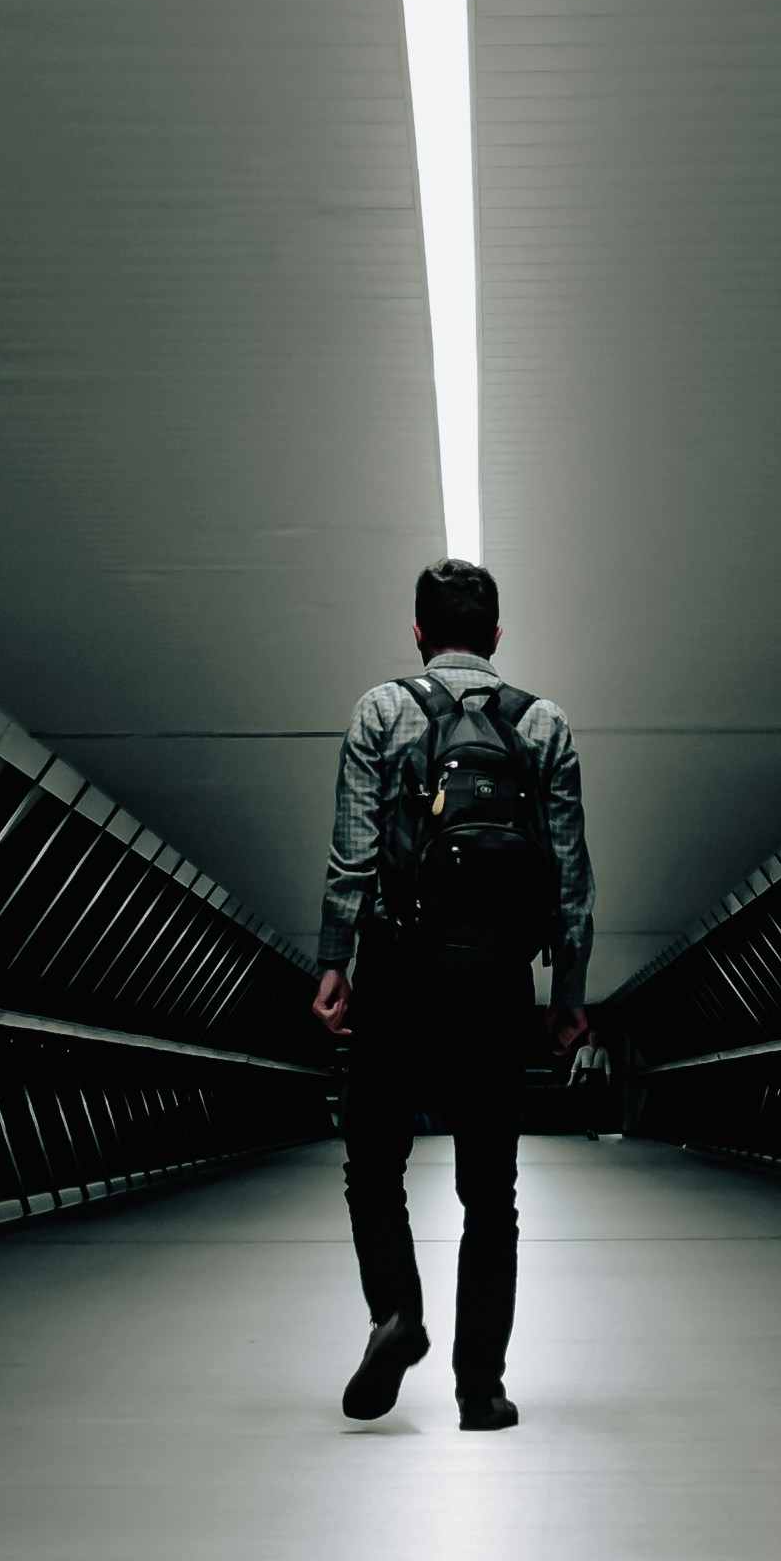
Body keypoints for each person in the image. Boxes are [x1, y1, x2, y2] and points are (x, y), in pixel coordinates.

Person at [317, 555, 594, 1430]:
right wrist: (569, 994)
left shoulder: (381, 710)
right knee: (490, 1189)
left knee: (373, 1163)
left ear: (418, 631)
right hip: (496, 980)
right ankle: (482, 1389)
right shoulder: (542, 725)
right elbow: (573, 875)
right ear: (498, 637)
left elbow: (352, 854)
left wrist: (335, 962)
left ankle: (396, 1311)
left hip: (401, 972)